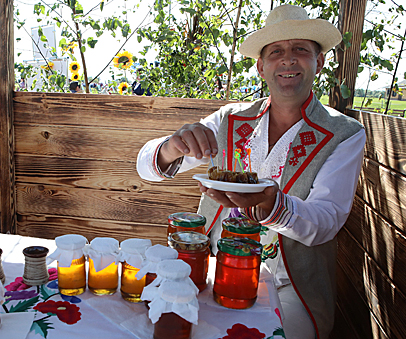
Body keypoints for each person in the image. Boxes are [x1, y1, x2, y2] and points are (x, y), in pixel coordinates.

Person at [136, 5, 366, 339]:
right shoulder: (230, 120)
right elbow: (145, 168)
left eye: (300, 49)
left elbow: (326, 221)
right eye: (276, 52)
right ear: (261, 66)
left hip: (290, 283)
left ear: (319, 62)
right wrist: (173, 146)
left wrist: (272, 206)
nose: (288, 59)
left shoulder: (344, 133)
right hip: (215, 267)